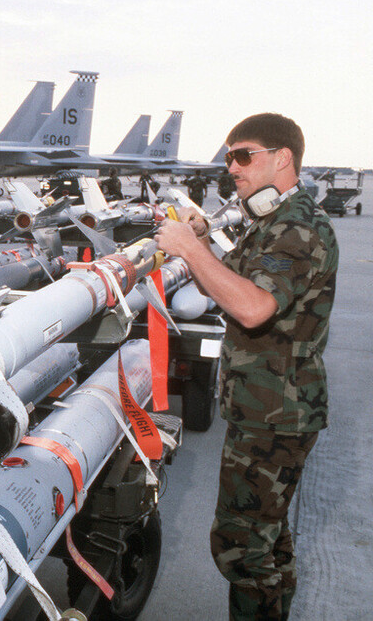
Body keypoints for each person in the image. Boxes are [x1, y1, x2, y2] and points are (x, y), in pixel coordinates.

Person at [155, 113, 337, 620]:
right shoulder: (275, 222)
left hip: (274, 414)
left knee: (241, 544)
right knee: (269, 540)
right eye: (228, 155)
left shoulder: (297, 228)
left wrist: (190, 249)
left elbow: (253, 307)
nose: (230, 166)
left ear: (283, 159)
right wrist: (203, 240)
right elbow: (237, 278)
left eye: (243, 155)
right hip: (271, 406)